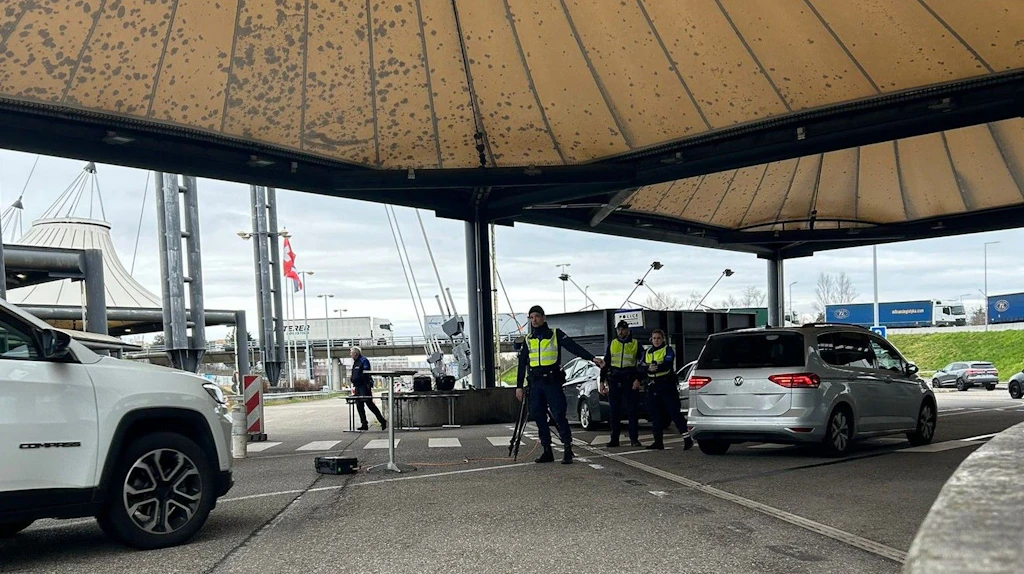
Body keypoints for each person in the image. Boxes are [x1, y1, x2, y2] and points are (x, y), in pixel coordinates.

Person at [516, 305, 604, 464]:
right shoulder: (528, 340)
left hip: (552, 382)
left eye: (536, 316)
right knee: (539, 416)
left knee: (558, 415)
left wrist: (592, 358)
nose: (534, 320)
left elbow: (574, 347)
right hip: (535, 384)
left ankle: (568, 448)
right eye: (531, 317)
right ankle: (547, 450)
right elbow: (522, 364)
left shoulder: (555, 334)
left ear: (543, 318)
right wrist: (519, 386)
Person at [642, 329, 693, 451]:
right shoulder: (647, 352)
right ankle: (658, 442)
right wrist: (648, 369)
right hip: (653, 386)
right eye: (654, 338)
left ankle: (687, 439)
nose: (656, 340)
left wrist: (656, 368)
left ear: (663, 339)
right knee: (655, 415)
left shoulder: (668, 350)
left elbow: (667, 364)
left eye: (658, 338)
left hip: (667, 385)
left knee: (674, 413)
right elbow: (641, 366)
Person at [599, 320, 646, 447]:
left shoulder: (636, 344)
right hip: (614, 380)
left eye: (623, 329)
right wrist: (602, 381)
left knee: (632, 411)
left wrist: (638, 379)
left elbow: (642, 363)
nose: (621, 331)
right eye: (619, 329)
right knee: (614, 412)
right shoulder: (612, 344)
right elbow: (605, 363)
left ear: (628, 330)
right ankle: (614, 439)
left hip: (629, 380)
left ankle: (634, 439)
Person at [349, 346, 387, 431]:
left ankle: (382, 421)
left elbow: (366, 373)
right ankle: (364, 424)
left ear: (355, 353)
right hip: (357, 386)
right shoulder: (355, 362)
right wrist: (352, 380)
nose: (350, 355)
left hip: (364, 386)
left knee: (369, 404)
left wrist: (360, 380)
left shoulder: (364, 360)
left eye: (351, 353)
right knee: (359, 405)